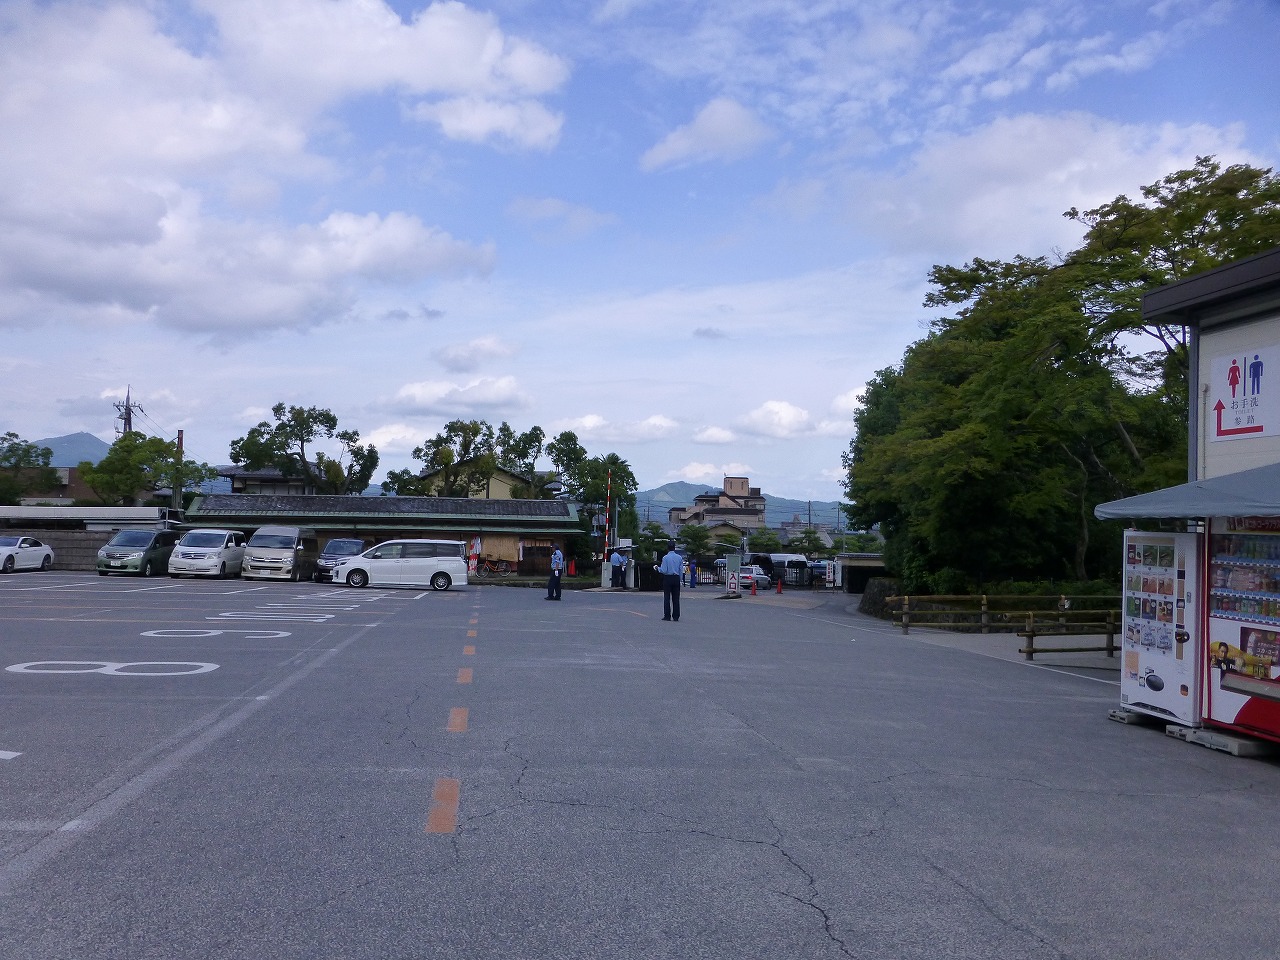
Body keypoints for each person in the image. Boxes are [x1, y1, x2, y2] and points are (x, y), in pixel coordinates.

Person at [655, 540, 683, 621]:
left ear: (667, 548)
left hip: (668, 578)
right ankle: (676, 616)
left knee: (667, 597)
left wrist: (657, 568)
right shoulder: (679, 557)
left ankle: (667, 616)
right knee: (676, 598)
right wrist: (680, 580)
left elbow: (664, 570)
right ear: (674, 548)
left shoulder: (665, 558)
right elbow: (681, 570)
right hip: (676, 578)